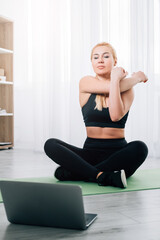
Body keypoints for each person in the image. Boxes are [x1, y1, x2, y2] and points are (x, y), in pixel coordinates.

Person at [44, 42, 148, 188]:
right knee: (51, 144)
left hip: (118, 154)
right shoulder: (86, 82)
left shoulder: (127, 90)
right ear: (92, 62)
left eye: (106, 56)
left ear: (115, 61)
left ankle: (82, 172)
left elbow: (115, 116)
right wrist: (135, 79)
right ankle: (103, 176)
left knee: (140, 147)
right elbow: (109, 88)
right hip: (90, 153)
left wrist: (117, 80)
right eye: (95, 57)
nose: (100, 60)